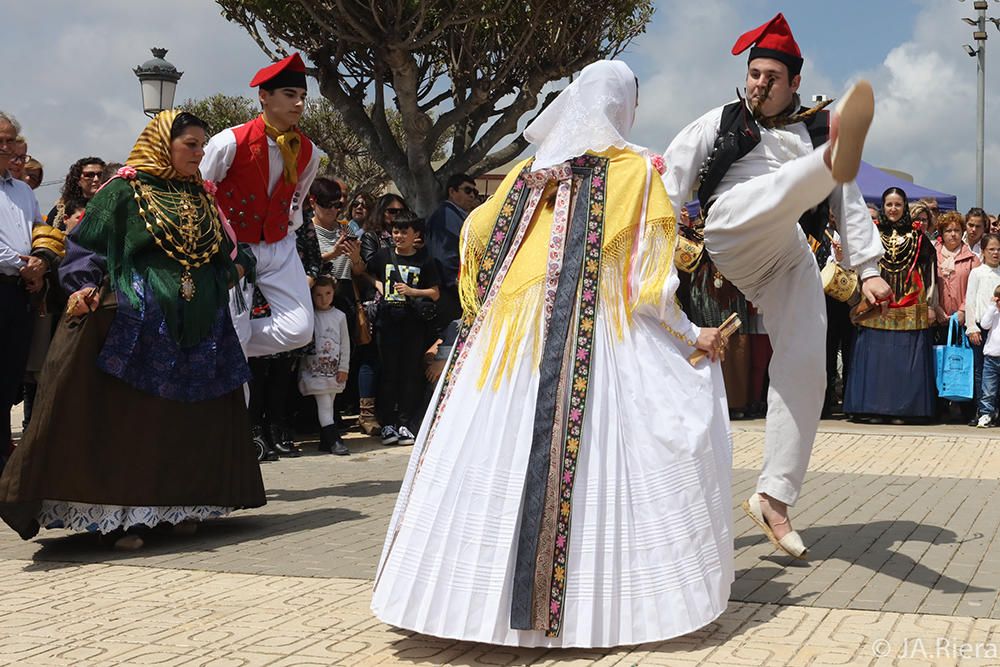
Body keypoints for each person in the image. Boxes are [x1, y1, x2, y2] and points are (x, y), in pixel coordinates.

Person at [372, 60, 731, 648]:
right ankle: (595, 608)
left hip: (508, 337)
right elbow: (649, 288)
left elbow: (476, 235)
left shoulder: (527, 177)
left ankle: (461, 606)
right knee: (606, 460)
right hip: (595, 334)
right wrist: (695, 336)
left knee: (490, 453)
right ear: (621, 108)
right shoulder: (636, 171)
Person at [662, 13, 888, 558]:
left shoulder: (811, 125)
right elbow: (667, 187)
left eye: (771, 76)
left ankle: (774, 498)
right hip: (734, 229)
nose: (759, 83)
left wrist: (871, 270)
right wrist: (656, 266)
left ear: (794, 84)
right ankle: (832, 162)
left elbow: (847, 205)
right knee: (771, 195)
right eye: (754, 73)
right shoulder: (717, 123)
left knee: (807, 365)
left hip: (789, 254)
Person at [0, 110, 265, 549]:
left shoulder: (200, 194)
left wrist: (234, 268)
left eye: (202, 146)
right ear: (164, 143)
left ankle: (185, 503)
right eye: (191, 145)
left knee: (190, 419)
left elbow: (226, 252)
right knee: (137, 418)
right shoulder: (125, 190)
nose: (199, 154)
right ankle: (130, 516)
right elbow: (85, 246)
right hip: (138, 317)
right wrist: (82, 286)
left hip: (198, 323)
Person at [201, 53, 319, 359]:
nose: (299, 104)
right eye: (290, 95)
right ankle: (228, 347)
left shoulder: (309, 151)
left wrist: (284, 231)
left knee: (300, 329)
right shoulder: (229, 142)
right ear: (263, 97)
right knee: (236, 333)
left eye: (303, 96)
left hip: (280, 245)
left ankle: (220, 342)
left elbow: (298, 199)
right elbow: (199, 194)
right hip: (234, 247)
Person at [843, 187, 937, 424]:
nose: (893, 209)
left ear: (905, 206)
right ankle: (871, 408)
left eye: (897, 204)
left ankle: (905, 410)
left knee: (904, 361)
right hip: (877, 302)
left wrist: (931, 304)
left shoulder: (918, 236)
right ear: (883, 207)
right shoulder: (870, 235)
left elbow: (930, 274)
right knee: (875, 358)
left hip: (909, 303)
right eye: (889, 205)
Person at [367, 212, 440, 446]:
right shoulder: (383, 255)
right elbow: (365, 273)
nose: (398, 236)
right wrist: (380, 286)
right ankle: (387, 423)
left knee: (410, 374)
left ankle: (405, 424)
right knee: (389, 373)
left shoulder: (425, 260)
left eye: (404, 232)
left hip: (414, 325)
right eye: (395, 231)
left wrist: (411, 291)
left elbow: (435, 293)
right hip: (387, 323)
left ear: (415, 234)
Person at [0, 112, 44, 469]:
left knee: (11, 376)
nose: (5, 146)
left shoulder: (23, 191)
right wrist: (23, 263)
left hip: (19, 292)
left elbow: (42, 232)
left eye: (10, 139)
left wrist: (41, 263)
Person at [355, 194, 408, 436]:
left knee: (393, 361)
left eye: (400, 212)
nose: (395, 216)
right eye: (390, 211)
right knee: (371, 359)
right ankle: (366, 414)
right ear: (381, 212)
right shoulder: (371, 237)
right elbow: (365, 267)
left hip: (402, 303)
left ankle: (390, 411)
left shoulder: (410, 237)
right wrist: (378, 284)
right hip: (376, 303)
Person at [933, 210, 980, 422]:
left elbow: (975, 288)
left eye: (956, 230)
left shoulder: (972, 258)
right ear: (941, 232)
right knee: (938, 361)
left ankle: (967, 409)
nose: (953, 234)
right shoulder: (932, 254)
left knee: (964, 363)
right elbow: (927, 285)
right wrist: (936, 308)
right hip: (937, 316)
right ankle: (938, 407)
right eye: (948, 230)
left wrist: (962, 311)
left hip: (963, 319)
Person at [299, 276, 351, 454]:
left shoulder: (339, 316)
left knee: (330, 402)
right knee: (324, 404)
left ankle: (325, 440)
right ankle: (335, 440)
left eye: (328, 293)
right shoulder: (309, 316)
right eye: (318, 295)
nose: (324, 299)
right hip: (314, 370)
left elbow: (345, 343)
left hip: (334, 370)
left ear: (334, 293)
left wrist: (344, 367)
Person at [424, 173, 478, 324]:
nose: (472, 195)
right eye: (467, 190)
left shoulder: (458, 215)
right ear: (452, 191)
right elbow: (445, 256)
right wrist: (459, 286)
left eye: (475, 192)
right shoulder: (446, 215)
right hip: (449, 292)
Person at [965, 233, 1000, 424]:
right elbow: (969, 301)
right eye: (991, 249)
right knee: (981, 371)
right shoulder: (977, 273)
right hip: (981, 327)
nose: (995, 253)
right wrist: (972, 326)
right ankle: (982, 409)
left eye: (998, 249)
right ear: (983, 252)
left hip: (998, 330)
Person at [47, 157, 106, 225]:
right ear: (78, 180)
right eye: (89, 175)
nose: (96, 179)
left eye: (100, 175)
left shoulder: (114, 205)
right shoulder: (61, 211)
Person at [975, 285, 1000, 427]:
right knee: (988, 389)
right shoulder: (994, 312)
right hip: (991, 357)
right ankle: (985, 414)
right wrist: (992, 307)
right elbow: (984, 325)